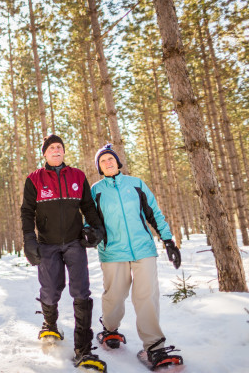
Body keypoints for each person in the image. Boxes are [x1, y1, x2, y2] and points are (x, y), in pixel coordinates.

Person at [90, 143, 183, 370]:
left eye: (111, 159)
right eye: (103, 161)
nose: (108, 162)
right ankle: (110, 330)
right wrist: (89, 233)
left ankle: (154, 346)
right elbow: (90, 219)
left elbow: (154, 213)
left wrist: (168, 241)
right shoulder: (96, 190)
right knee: (115, 295)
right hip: (112, 251)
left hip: (143, 249)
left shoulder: (136, 184)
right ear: (99, 168)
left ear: (118, 162)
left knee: (147, 296)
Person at [21, 134, 107, 371]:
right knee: (50, 290)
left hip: (74, 243)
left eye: (59, 147)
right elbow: (27, 212)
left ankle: (83, 349)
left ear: (63, 152)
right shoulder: (34, 179)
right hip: (47, 244)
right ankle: (50, 323)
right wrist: (30, 239)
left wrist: (95, 228)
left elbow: (88, 206)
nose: (56, 150)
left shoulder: (78, 176)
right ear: (45, 154)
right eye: (51, 148)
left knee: (81, 292)